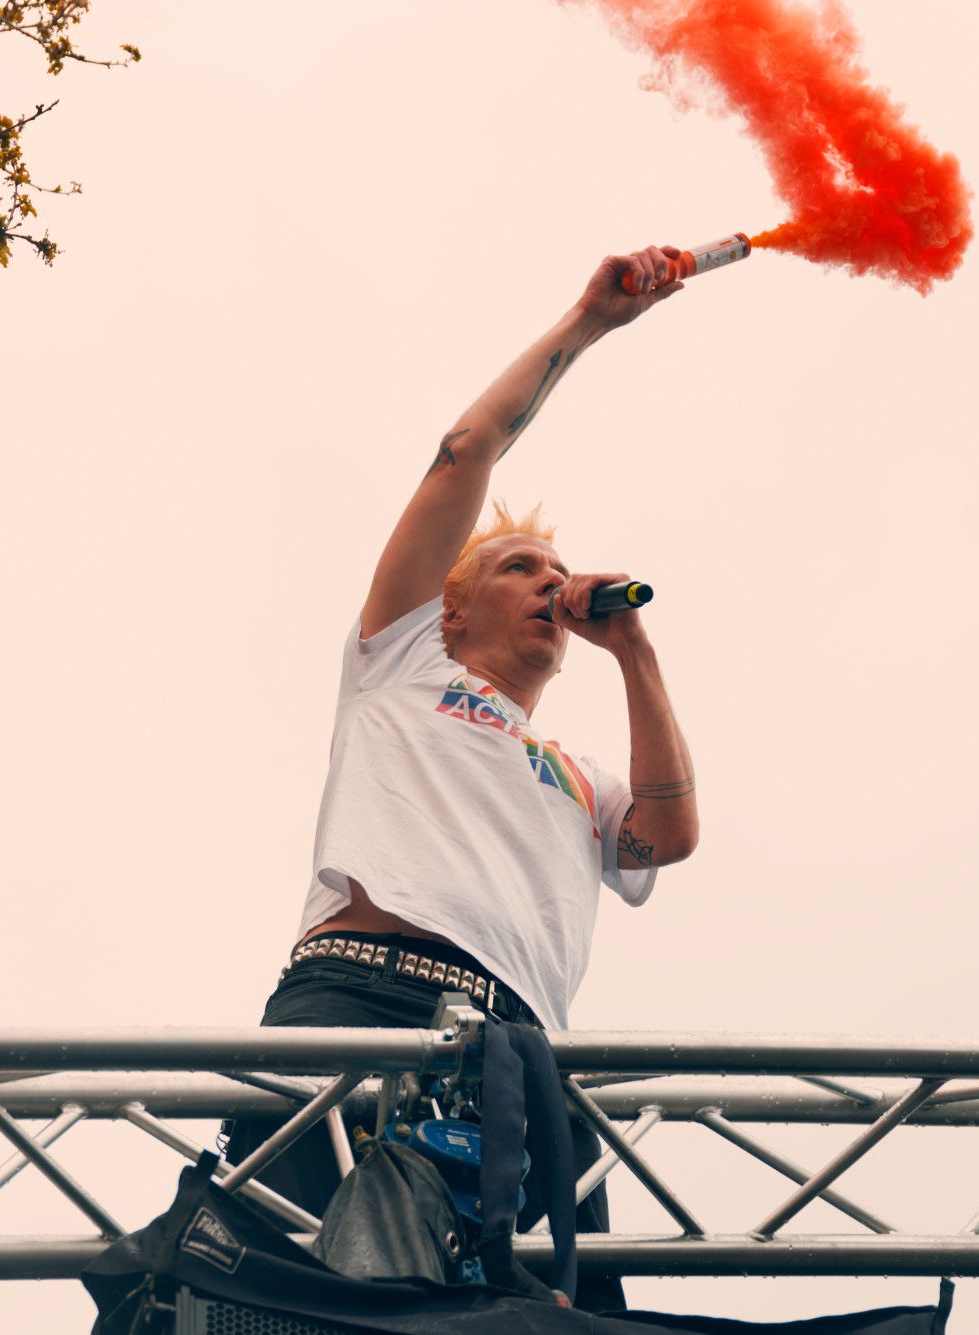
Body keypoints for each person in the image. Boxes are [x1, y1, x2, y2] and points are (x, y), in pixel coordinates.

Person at [226, 246, 702, 1308]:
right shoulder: (400, 664)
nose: (549, 580)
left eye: (555, 569)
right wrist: (586, 324)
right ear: (450, 609)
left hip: (514, 1046)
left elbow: (666, 836)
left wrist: (631, 651)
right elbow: (463, 451)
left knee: (536, 1307)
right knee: (297, 1285)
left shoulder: (576, 775)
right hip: (365, 987)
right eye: (518, 567)